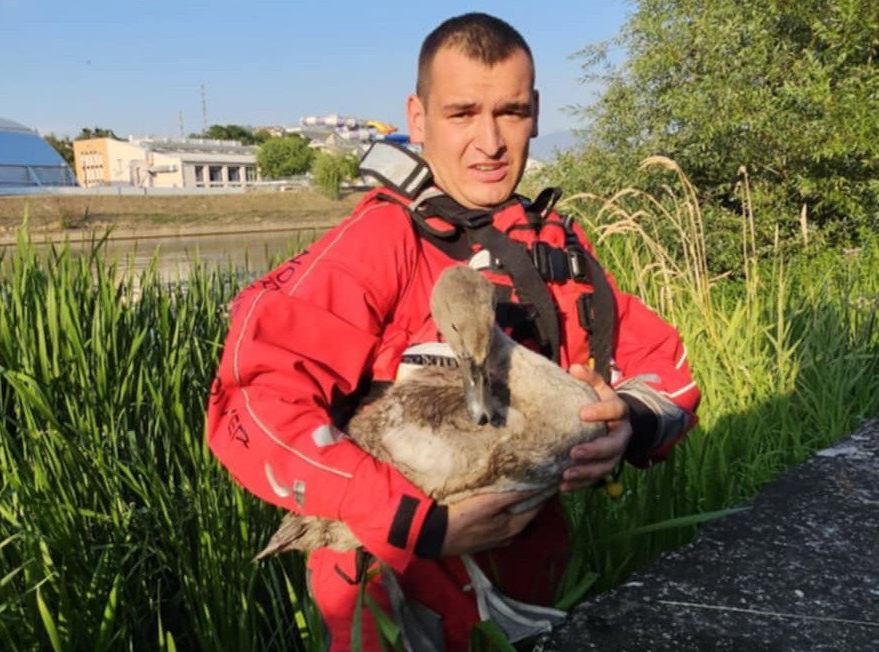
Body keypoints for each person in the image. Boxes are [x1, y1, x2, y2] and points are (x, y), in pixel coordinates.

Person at [207, 12, 699, 650]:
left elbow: (667, 368)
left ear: (536, 113)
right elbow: (253, 398)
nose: (490, 142)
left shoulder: (554, 250)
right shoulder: (379, 246)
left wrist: (629, 420)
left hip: (529, 587)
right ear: (418, 119)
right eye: (463, 113)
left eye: (511, 112)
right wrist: (416, 523)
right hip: (395, 597)